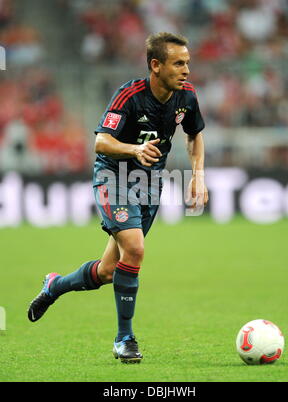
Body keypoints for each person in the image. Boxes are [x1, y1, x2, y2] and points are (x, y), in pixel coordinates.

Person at [27, 32, 209, 364]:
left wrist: (198, 175)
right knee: (136, 249)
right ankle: (124, 338)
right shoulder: (130, 96)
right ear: (155, 65)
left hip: (150, 181)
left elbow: (195, 135)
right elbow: (101, 142)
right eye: (178, 63)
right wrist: (135, 149)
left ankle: (53, 286)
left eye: (188, 63)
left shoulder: (187, 97)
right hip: (113, 176)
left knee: (109, 270)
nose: (186, 70)